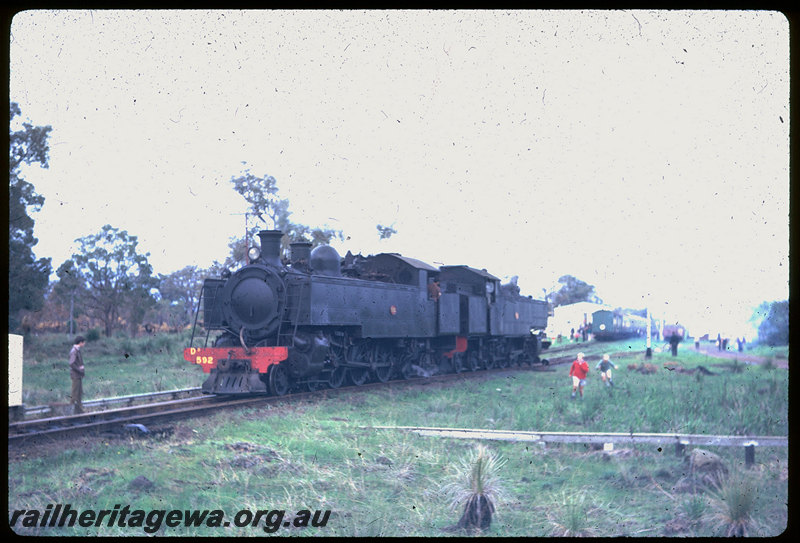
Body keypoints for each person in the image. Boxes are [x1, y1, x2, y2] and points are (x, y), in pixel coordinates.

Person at [69, 335, 86, 414]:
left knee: (79, 393)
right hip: (76, 375)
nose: (84, 344)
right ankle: (70, 410)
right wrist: (79, 370)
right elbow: (72, 363)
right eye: (83, 342)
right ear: (80, 343)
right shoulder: (74, 351)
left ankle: (79, 410)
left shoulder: (77, 350)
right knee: (74, 393)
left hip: (78, 375)